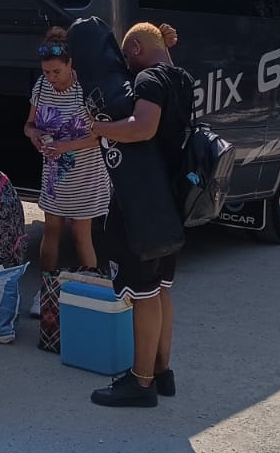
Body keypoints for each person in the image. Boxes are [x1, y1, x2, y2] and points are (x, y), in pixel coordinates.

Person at [83, 22, 194, 408]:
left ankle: (141, 381)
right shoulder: (180, 78)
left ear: (134, 50)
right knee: (161, 288)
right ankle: (162, 371)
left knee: (144, 293)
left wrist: (99, 127)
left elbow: (142, 128)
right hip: (172, 200)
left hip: (146, 201)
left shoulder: (147, 78)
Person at [23, 26, 108, 309]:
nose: (51, 78)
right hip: (54, 173)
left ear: (70, 64)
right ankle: (46, 291)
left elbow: (100, 137)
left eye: (56, 72)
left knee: (81, 235)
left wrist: (64, 147)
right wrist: (34, 135)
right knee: (52, 230)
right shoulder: (41, 87)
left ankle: (92, 291)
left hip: (85, 173)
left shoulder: (87, 89)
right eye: (46, 72)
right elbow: (29, 124)